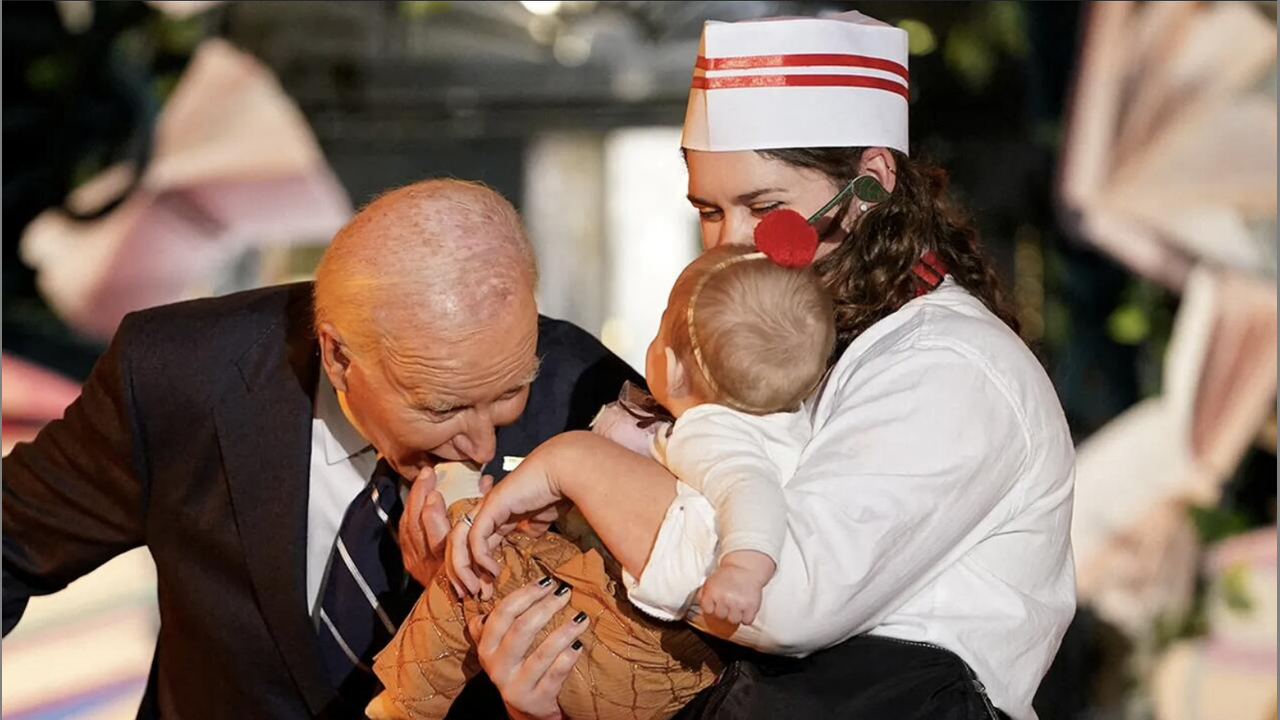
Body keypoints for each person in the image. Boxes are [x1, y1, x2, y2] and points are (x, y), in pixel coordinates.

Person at [452, 11, 1075, 720]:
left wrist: (580, 466)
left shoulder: (950, 367)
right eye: (709, 212)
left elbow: (783, 599)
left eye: (765, 207)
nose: (730, 244)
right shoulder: (784, 354)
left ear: (870, 184)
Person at [0, 179, 638, 718]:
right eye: (441, 407)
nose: (481, 443)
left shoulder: (592, 404)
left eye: (510, 392)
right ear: (338, 357)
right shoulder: (181, 375)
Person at [371, 242, 833, 719]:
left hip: (624, 644)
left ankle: (402, 705)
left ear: (672, 367)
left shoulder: (714, 433)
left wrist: (743, 568)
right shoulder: (779, 429)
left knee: (473, 544)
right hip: (662, 672)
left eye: (660, 331)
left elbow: (750, 491)